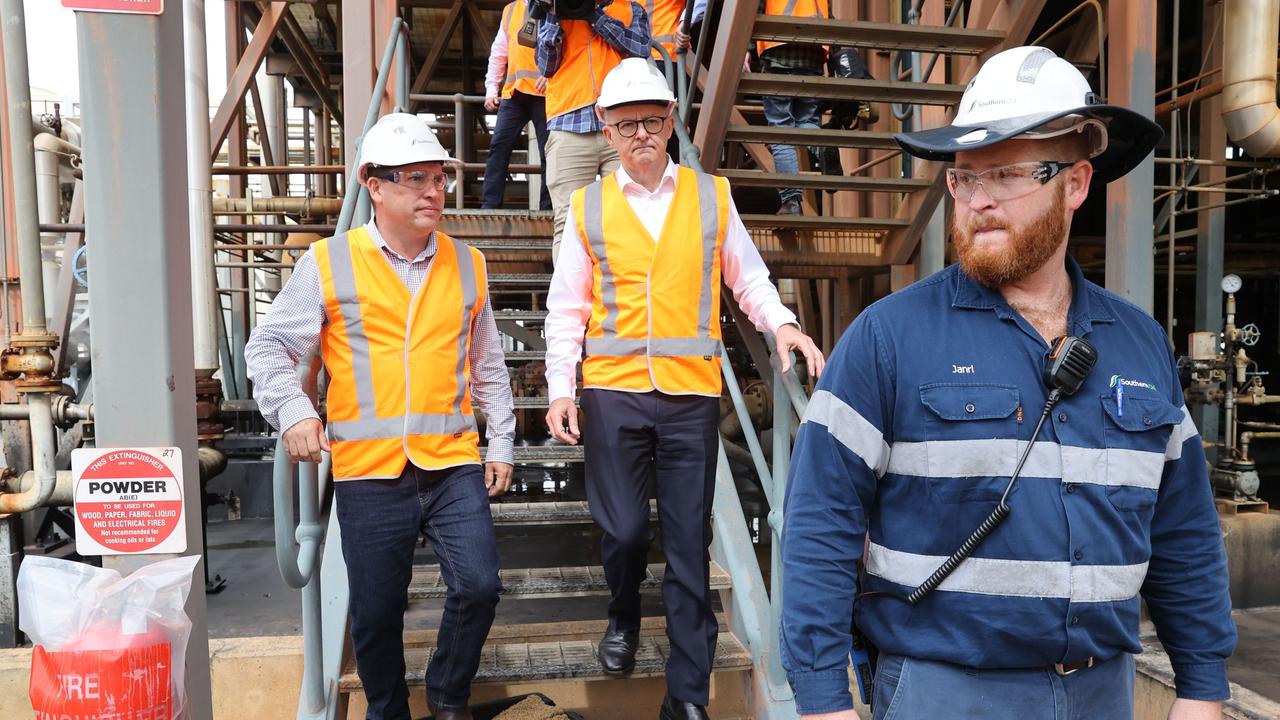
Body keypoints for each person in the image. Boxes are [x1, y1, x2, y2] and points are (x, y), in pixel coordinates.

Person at [779, 46, 1236, 720]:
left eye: (1007, 174)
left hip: (1103, 693)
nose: (978, 199)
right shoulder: (888, 338)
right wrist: (823, 702)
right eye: (964, 178)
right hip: (943, 693)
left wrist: (1201, 686)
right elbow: (819, 525)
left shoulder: (1140, 345)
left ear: (1076, 184)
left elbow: (1184, 531)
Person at [542, 58, 825, 720]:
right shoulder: (588, 207)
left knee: (690, 548)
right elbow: (565, 310)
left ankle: (688, 696)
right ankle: (622, 614)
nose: (640, 133)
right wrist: (561, 389)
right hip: (612, 393)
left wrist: (781, 325)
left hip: (690, 396)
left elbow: (748, 279)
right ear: (606, 132)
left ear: (671, 122)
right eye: (625, 123)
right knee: (620, 533)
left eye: (652, 120)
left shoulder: (711, 197)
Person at [244, 113, 516, 720]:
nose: (432, 191)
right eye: (415, 178)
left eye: (439, 178)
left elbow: (488, 365)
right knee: (375, 611)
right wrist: (293, 412)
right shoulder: (329, 262)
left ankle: (447, 696)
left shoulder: (468, 265)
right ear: (374, 185)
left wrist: (500, 442)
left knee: (479, 584)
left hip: (450, 463)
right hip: (369, 471)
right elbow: (267, 347)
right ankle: (388, 711)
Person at [536, 0, 652, 261]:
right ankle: (571, 302)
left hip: (622, 126)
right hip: (569, 124)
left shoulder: (631, 9)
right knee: (569, 224)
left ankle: (626, 298)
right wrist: (555, 16)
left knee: (629, 218)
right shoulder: (553, 10)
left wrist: (593, 15)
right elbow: (545, 66)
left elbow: (640, 48)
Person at [757, 0, 828, 215]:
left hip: (779, 46)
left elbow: (753, 9)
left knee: (781, 129)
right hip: (814, 51)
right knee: (807, 122)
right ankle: (825, 147)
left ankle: (792, 202)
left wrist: (744, 49)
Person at [483, 0, 552, 211]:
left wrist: (551, 75)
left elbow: (569, 46)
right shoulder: (510, 10)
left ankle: (547, 209)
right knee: (499, 148)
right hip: (514, 94)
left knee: (548, 152)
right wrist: (491, 89)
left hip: (545, 94)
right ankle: (490, 207)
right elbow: (499, 53)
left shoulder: (557, 6)